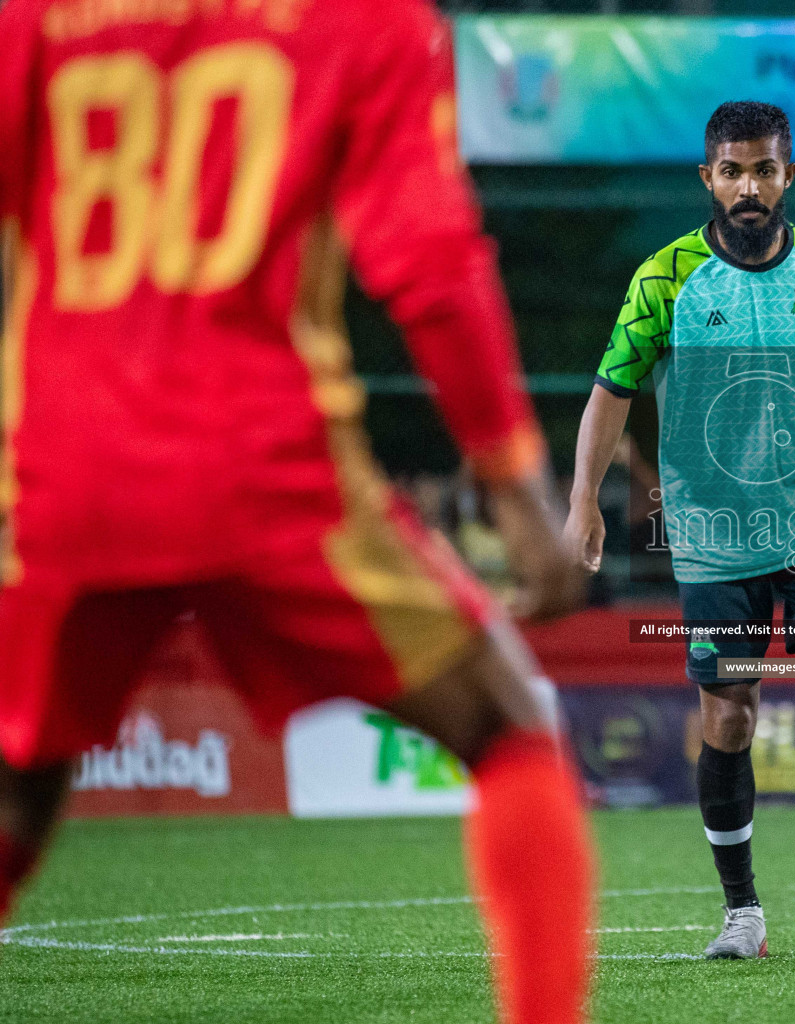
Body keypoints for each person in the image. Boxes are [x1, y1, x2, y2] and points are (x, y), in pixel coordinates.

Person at [0, 2, 592, 1021]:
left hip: (63, 466)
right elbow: (430, 263)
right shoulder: (371, 21)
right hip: (263, 469)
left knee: (20, 785)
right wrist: (518, 491)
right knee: (510, 723)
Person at [564, 101, 795, 959]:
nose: (749, 184)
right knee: (729, 715)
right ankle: (743, 913)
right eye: (732, 170)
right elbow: (610, 392)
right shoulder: (666, 279)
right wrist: (584, 499)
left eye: (764, 168)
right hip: (714, 537)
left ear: (788, 175)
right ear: (709, 178)